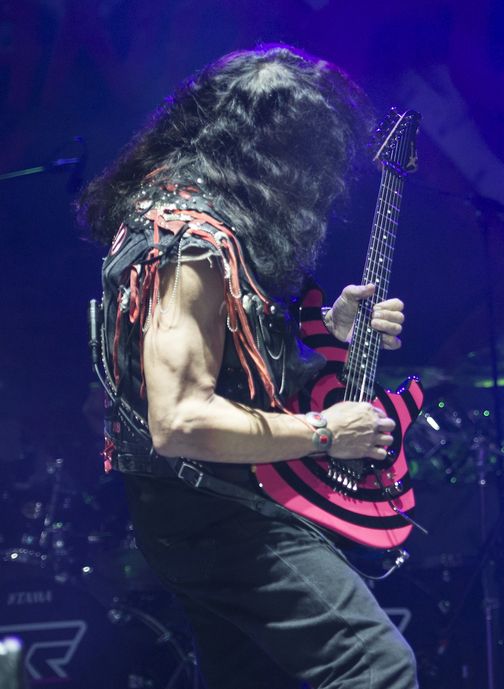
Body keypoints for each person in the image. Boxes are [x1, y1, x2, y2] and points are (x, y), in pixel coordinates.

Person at [78, 45, 418, 688]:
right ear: (277, 155)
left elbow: (231, 361)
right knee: (376, 666)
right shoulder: (190, 246)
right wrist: (326, 432)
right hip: (216, 511)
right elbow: (179, 419)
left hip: (201, 507)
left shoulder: (189, 210)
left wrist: (331, 330)